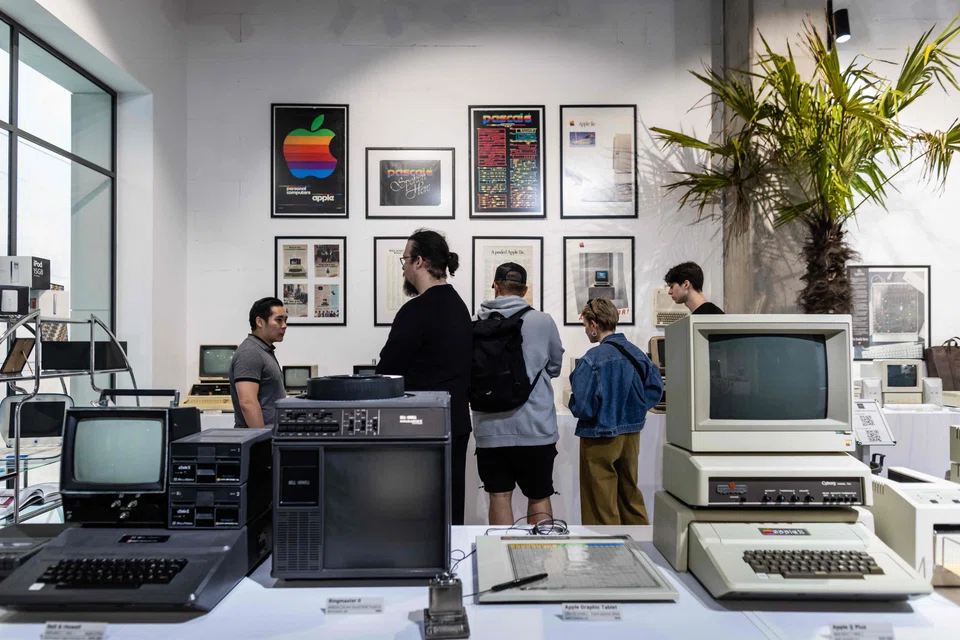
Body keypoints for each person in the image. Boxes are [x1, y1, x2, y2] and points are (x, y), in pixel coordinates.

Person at [376, 229, 473, 525]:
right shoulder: (459, 306)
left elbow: (387, 371)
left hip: (420, 426)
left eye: (405, 259)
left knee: (418, 515)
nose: (403, 266)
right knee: (450, 511)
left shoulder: (415, 311)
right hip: (455, 422)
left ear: (419, 261)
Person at [471, 262, 564, 526]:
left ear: (495, 286)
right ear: (524, 291)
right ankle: (540, 560)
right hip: (535, 427)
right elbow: (555, 367)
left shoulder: (476, 323)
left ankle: (500, 562)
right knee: (539, 495)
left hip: (490, 429)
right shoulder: (543, 321)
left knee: (499, 496)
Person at [568, 298, 663, 525]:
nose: (586, 331)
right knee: (630, 494)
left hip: (599, 436)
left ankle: (607, 554)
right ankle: (641, 550)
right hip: (631, 436)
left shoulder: (592, 359)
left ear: (593, 324)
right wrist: (635, 410)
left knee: (600, 504)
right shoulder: (638, 354)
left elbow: (582, 407)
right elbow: (655, 389)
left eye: (585, 326)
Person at [230, 297, 288, 428]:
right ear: (259, 322)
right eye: (279, 320)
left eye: (285, 320)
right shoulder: (250, 353)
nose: (284, 325)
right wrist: (262, 441)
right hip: (257, 443)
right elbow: (247, 403)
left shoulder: (263, 351)